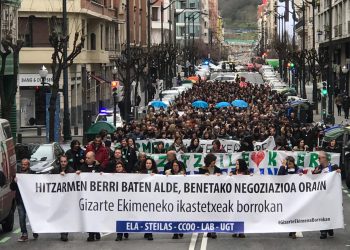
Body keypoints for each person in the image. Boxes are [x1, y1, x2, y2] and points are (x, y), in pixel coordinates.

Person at [312, 151, 341, 239]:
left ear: (325, 158)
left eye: (320, 157)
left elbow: (339, 176)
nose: (318, 159)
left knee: (330, 211)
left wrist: (339, 171)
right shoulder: (318, 168)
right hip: (321, 194)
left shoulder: (333, 166)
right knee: (322, 212)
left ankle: (330, 227)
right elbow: (312, 179)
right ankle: (323, 231)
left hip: (332, 193)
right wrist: (314, 173)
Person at [10, 159, 38, 242]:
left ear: (28, 165)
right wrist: (15, 182)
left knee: (33, 216)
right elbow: (12, 188)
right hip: (20, 200)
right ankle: (24, 234)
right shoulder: (17, 175)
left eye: (25, 164)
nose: (23, 166)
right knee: (22, 217)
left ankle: (35, 230)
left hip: (30, 200)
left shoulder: (32, 174)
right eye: (22, 164)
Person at [76, 152, 101, 241]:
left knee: (96, 215)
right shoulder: (83, 167)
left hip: (96, 196)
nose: (86, 159)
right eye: (86, 158)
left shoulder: (98, 166)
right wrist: (78, 173)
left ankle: (97, 231)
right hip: (86, 196)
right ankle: (91, 234)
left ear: (93, 158)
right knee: (88, 216)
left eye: (88, 158)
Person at [52, 155, 76, 241]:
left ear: (67, 162)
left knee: (65, 215)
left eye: (65, 161)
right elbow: (50, 181)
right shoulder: (55, 170)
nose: (63, 163)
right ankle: (61, 230)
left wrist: (67, 176)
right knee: (59, 215)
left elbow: (74, 183)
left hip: (67, 198)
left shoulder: (71, 170)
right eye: (62, 161)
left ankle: (64, 233)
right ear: (59, 162)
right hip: (57, 197)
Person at [198, 153, 221, 239]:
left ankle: (213, 230)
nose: (214, 162)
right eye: (212, 160)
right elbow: (198, 180)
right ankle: (209, 229)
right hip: (205, 195)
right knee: (207, 213)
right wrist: (204, 176)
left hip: (215, 195)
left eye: (215, 160)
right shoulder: (201, 169)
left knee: (214, 213)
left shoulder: (218, 169)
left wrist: (219, 177)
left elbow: (222, 181)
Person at [139, 158, 158, 240]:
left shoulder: (156, 173)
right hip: (143, 197)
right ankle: (146, 231)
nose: (148, 164)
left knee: (150, 215)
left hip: (152, 197)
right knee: (145, 215)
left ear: (152, 164)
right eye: (147, 163)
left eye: (150, 163)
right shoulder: (141, 173)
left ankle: (150, 232)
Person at [114, 161, 130, 241]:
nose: (118, 168)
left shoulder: (127, 176)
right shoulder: (113, 176)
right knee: (119, 217)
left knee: (125, 216)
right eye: (117, 167)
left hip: (126, 200)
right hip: (117, 200)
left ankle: (126, 231)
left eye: (120, 166)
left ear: (122, 167)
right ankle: (119, 235)